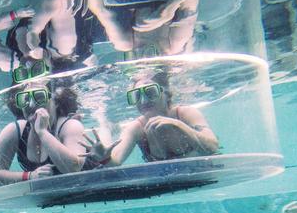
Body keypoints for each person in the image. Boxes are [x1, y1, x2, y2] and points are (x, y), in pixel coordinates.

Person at [79, 70, 219, 167]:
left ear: (167, 94)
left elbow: (212, 146)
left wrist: (178, 125)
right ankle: (106, 128)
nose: (143, 101)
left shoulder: (185, 114)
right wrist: (104, 157)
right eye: (136, 96)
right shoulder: (136, 128)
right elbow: (116, 160)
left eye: (151, 92)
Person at [0, 79, 92, 185]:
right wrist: (30, 176)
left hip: (91, 185)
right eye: (25, 99)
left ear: (55, 102)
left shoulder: (70, 126)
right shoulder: (15, 130)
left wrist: (42, 132)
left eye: (40, 97)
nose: (31, 105)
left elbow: (73, 169)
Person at [87, 0, 201, 59]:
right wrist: (169, 9)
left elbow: (98, 7)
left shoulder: (125, 42)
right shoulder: (175, 42)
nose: (144, 57)